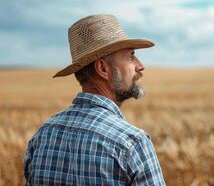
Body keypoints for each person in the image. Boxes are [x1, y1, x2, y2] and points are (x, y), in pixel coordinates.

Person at [24, 14, 166, 185]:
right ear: (103, 68)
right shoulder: (132, 143)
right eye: (130, 56)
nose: (140, 65)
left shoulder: (43, 135)